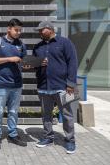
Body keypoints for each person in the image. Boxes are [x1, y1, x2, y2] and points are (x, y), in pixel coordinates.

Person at [33, 21, 78, 154]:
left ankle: (70, 140)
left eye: (42, 30)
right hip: (43, 86)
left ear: (50, 29)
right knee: (46, 114)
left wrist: (71, 84)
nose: (40, 32)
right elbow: (33, 65)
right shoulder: (37, 47)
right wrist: (34, 64)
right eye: (39, 30)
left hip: (63, 87)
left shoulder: (65, 43)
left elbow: (73, 63)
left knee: (67, 114)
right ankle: (48, 137)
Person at [0, 18, 28, 150]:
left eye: (20, 30)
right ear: (9, 28)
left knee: (13, 111)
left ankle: (13, 134)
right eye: (16, 30)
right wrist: (9, 59)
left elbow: (23, 61)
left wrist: (27, 65)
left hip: (16, 84)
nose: (18, 33)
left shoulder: (21, 44)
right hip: (1, 84)